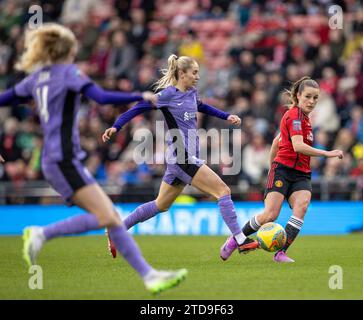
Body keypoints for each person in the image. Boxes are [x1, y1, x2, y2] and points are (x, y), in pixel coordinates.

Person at [0, 23, 187, 294]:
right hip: (63, 159)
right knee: (106, 216)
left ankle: (149, 276)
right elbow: (100, 97)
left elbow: (4, 98)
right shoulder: (68, 73)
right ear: (69, 49)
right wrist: (139, 95)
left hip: (57, 160)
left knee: (110, 217)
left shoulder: (36, 78)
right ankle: (41, 234)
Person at [102, 54, 259, 258]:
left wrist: (226, 115)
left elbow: (202, 106)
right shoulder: (167, 96)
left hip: (182, 160)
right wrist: (116, 126)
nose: (197, 77)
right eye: (194, 73)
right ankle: (240, 239)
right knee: (223, 190)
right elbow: (138, 108)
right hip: (182, 158)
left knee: (161, 205)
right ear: (181, 73)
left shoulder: (192, 93)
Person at [220, 76, 344, 262]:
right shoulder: (294, 115)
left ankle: (280, 253)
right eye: (308, 97)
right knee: (270, 215)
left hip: (301, 173)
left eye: (315, 98)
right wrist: (327, 154)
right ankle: (234, 240)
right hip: (283, 170)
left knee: (301, 207)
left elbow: (276, 142)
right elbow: (298, 146)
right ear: (298, 95)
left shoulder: (306, 120)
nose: (311, 101)